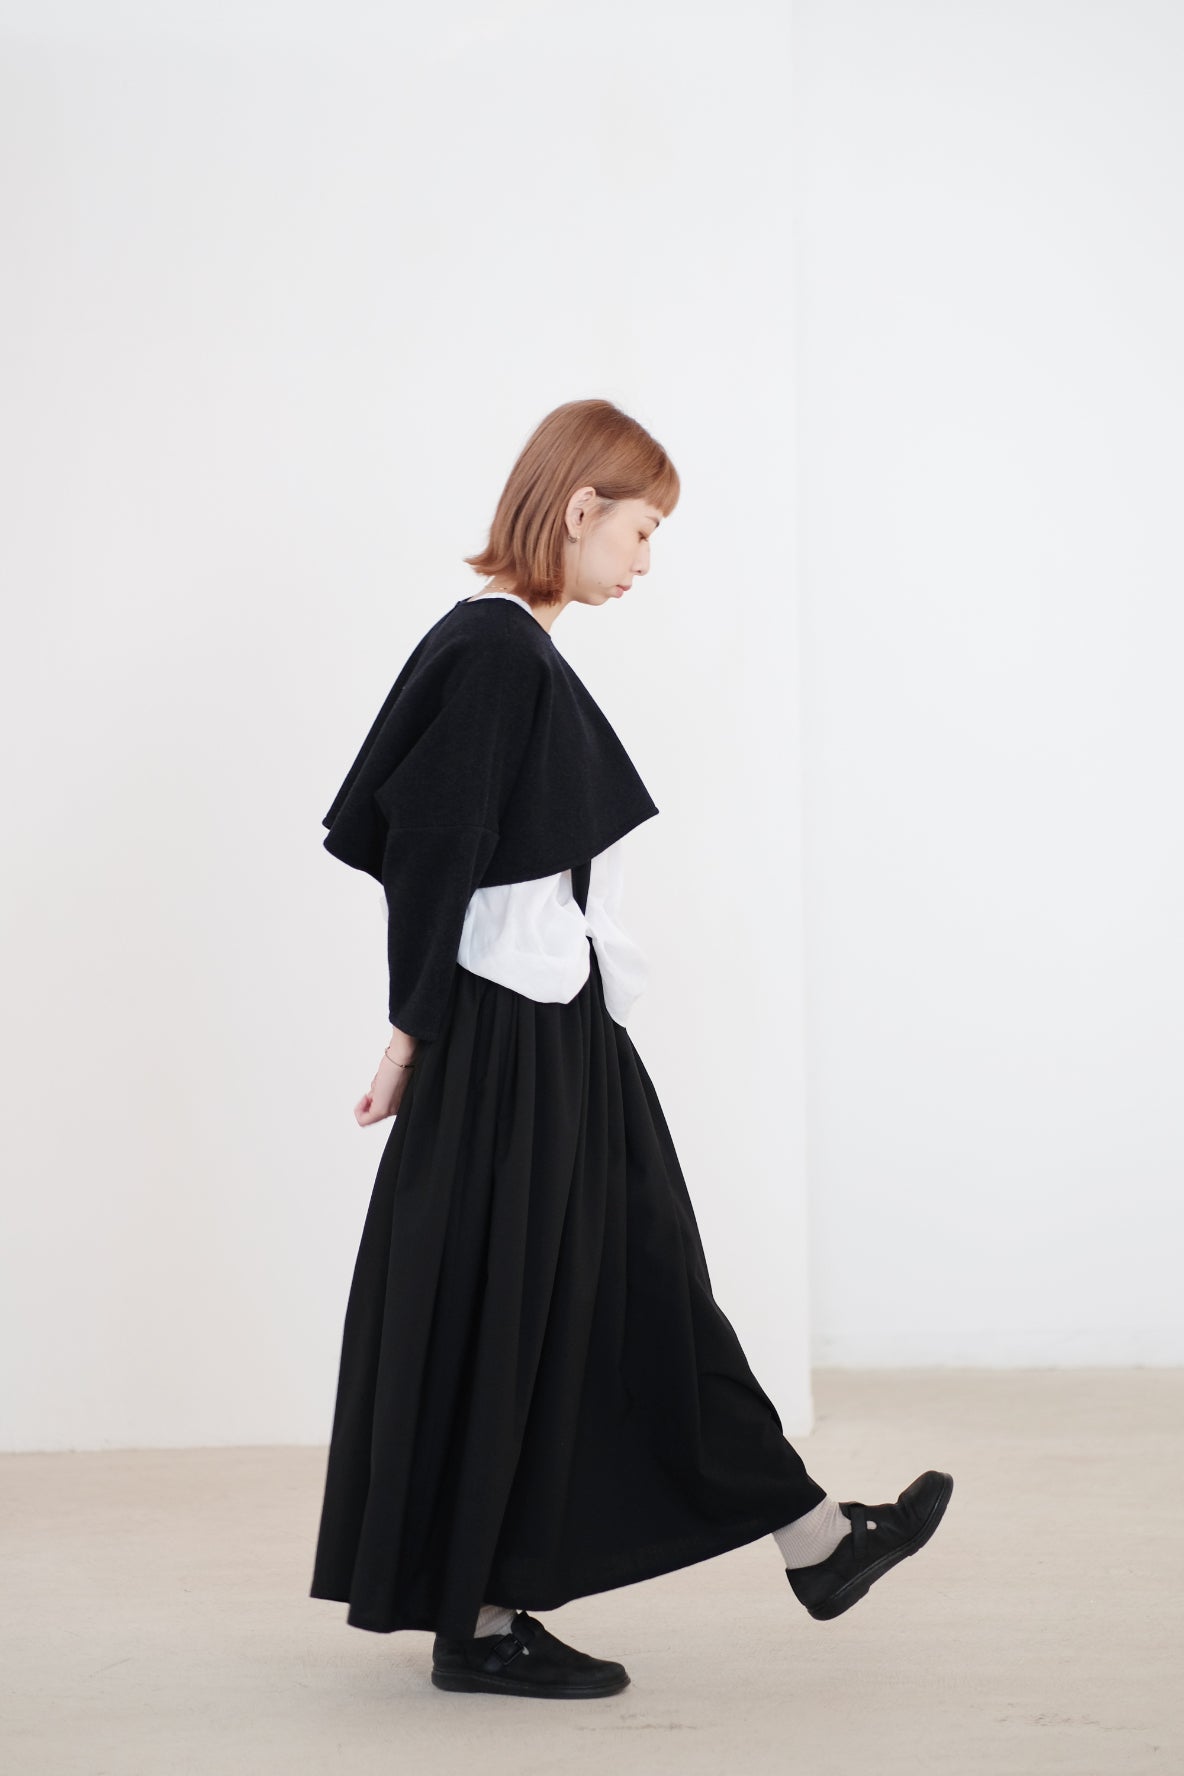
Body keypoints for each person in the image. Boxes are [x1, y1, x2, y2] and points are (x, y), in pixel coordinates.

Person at [308, 398, 953, 1700]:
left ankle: (815, 1539)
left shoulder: (508, 647)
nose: (648, 561)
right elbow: (432, 848)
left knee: (640, 1278)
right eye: (644, 530)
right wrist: (411, 1034)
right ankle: (481, 1623)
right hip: (511, 1035)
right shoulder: (496, 650)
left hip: (553, 1028)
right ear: (580, 507)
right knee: (533, 1303)